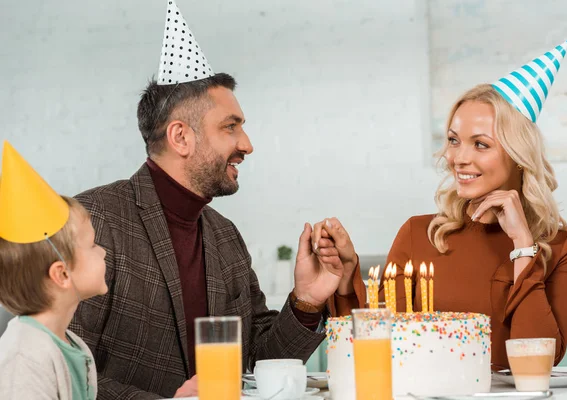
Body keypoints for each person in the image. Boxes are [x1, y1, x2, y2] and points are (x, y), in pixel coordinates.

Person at [69, 1, 352, 398]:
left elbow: (256, 362)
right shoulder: (93, 221)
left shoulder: (224, 236)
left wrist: (306, 301)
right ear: (181, 137)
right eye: (230, 127)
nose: (247, 145)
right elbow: (64, 371)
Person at [326, 40, 567, 369]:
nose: (458, 158)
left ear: (519, 156)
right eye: (453, 140)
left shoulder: (565, 247)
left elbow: (538, 363)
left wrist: (523, 248)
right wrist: (347, 277)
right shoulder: (418, 234)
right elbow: (375, 352)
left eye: (480, 144)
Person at [0, 142, 107, 399]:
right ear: (61, 274)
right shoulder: (24, 355)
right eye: (92, 245)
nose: (103, 251)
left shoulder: (72, 345)